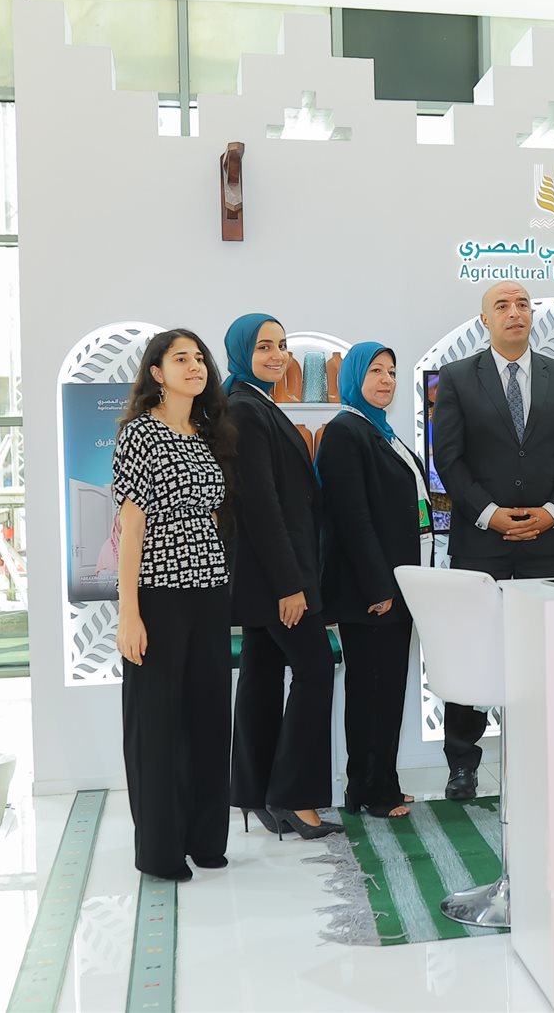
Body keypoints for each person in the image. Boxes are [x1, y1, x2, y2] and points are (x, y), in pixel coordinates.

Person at [431, 280, 554, 799]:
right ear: (485, 320)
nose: (515, 312)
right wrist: (490, 514)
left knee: (545, 655)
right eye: (502, 305)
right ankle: (462, 764)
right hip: (481, 542)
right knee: (474, 652)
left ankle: (547, 754)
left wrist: (553, 512)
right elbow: (448, 458)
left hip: (548, 541)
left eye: (523, 304)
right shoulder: (457, 378)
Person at [112, 328, 235, 882]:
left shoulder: (206, 433)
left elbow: (212, 515)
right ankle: (161, 851)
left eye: (199, 357)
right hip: (159, 597)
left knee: (208, 719)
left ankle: (205, 839)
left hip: (210, 593)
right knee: (157, 725)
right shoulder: (141, 433)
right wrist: (129, 611)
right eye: (180, 358)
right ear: (157, 373)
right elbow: (131, 524)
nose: (194, 366)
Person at [223, 313, 341, 841]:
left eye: (282, 345)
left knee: (262, 675)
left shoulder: (255, 403)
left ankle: (255, 792)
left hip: (264, 577)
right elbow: (261, 506)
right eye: (264, 346)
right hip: (275, 579)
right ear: (241, 352)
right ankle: (294, 797)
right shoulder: (245, 410)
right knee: (315, 670)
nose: (277, 355)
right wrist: (290, 585)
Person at [316, 342, 430, 819]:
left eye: (392, 372)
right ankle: (371, 790)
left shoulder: (380, 431)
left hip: (398, 586)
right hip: (372, 593)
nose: (386, 380)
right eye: (376, 371)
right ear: (354, 378)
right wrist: (378, 588)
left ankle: (380, 781)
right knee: (372, 692)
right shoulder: (346, 432)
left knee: (386, 691)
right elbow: (352, 519)